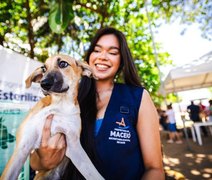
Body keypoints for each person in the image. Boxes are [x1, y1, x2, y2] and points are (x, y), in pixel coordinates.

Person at [30, 27, 164, 179]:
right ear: (88, 58)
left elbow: (155, 169)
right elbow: (34, 162)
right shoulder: (66, 97)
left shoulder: (137, 97)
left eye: (113, 52)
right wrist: (44, 160)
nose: (103, 57)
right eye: (97, 50)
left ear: (121, 61)